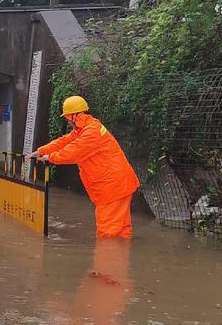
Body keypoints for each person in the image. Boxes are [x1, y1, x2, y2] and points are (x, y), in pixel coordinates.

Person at [25, 96, 140, 238]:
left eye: (67, 117)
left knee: (107, 234)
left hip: (111, 189)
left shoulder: (91, 132)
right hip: (117, 185)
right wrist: (41, 151)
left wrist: (49, 157)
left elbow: (73, 152)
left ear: (74, 116)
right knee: (121, 231)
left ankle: (108, 259)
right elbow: (64, 141)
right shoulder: (86, 128)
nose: (67, 120)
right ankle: (120, 257)